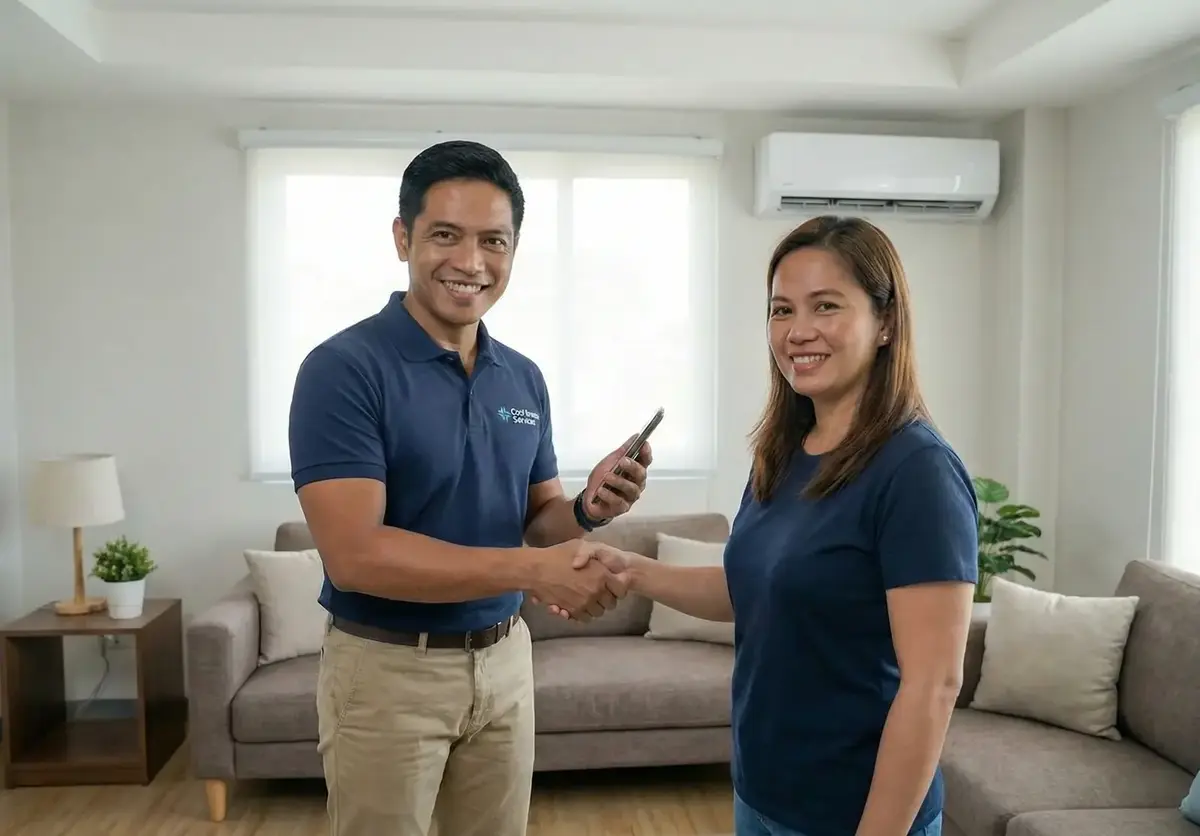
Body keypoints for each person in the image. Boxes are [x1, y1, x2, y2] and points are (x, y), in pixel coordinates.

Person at [568, 216, 978, 836]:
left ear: (886, 322)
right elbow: (753, 590)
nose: (799, 331)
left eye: (827, 306)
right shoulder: (785, 452)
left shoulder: (918, 471)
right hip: (762, 794)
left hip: (852, 815)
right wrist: (635, 571)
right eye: (782, 310)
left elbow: (933, 686)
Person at [288, 139, 650, 836]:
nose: (471, 262)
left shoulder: (522, 377)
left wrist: (586, 508)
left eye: (494, 240)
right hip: (388, 671)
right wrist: (533, 571)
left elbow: (539, 518)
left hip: (506, 662)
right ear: (402, 237)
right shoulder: (344, 370)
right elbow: (355, 556)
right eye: (445, 236)